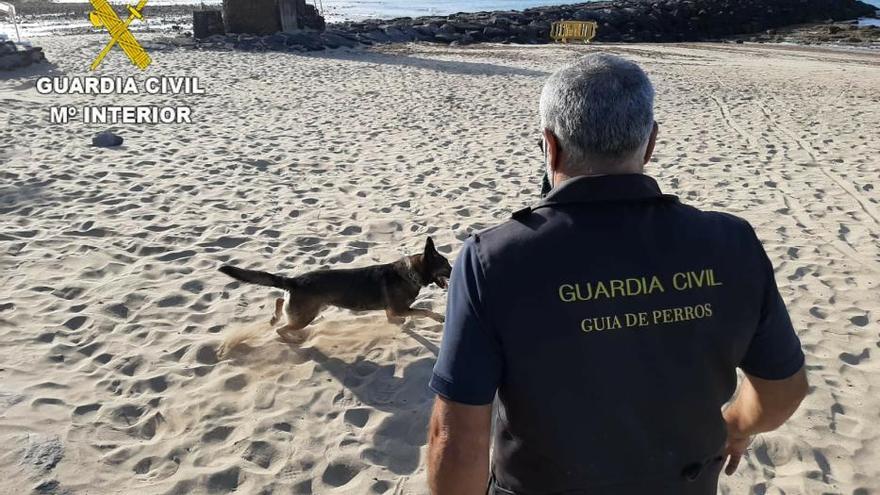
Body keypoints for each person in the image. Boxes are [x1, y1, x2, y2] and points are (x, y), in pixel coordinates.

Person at [426, 53, 808, 495]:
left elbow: (456, 440)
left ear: (550, 146)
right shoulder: (733, 243)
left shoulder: (492, 259)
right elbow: (783, 391)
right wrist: (736, 426)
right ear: (650, 144)